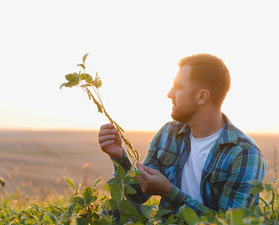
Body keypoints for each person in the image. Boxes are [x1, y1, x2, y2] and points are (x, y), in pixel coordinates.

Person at [98, 54, 266, 216]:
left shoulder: (244, 154)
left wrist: (169, 192)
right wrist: (119, 156)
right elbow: (137, 195)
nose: (170, 94)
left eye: (178, 87)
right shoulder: (168, 134)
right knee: (112, 211)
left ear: (202, 97)